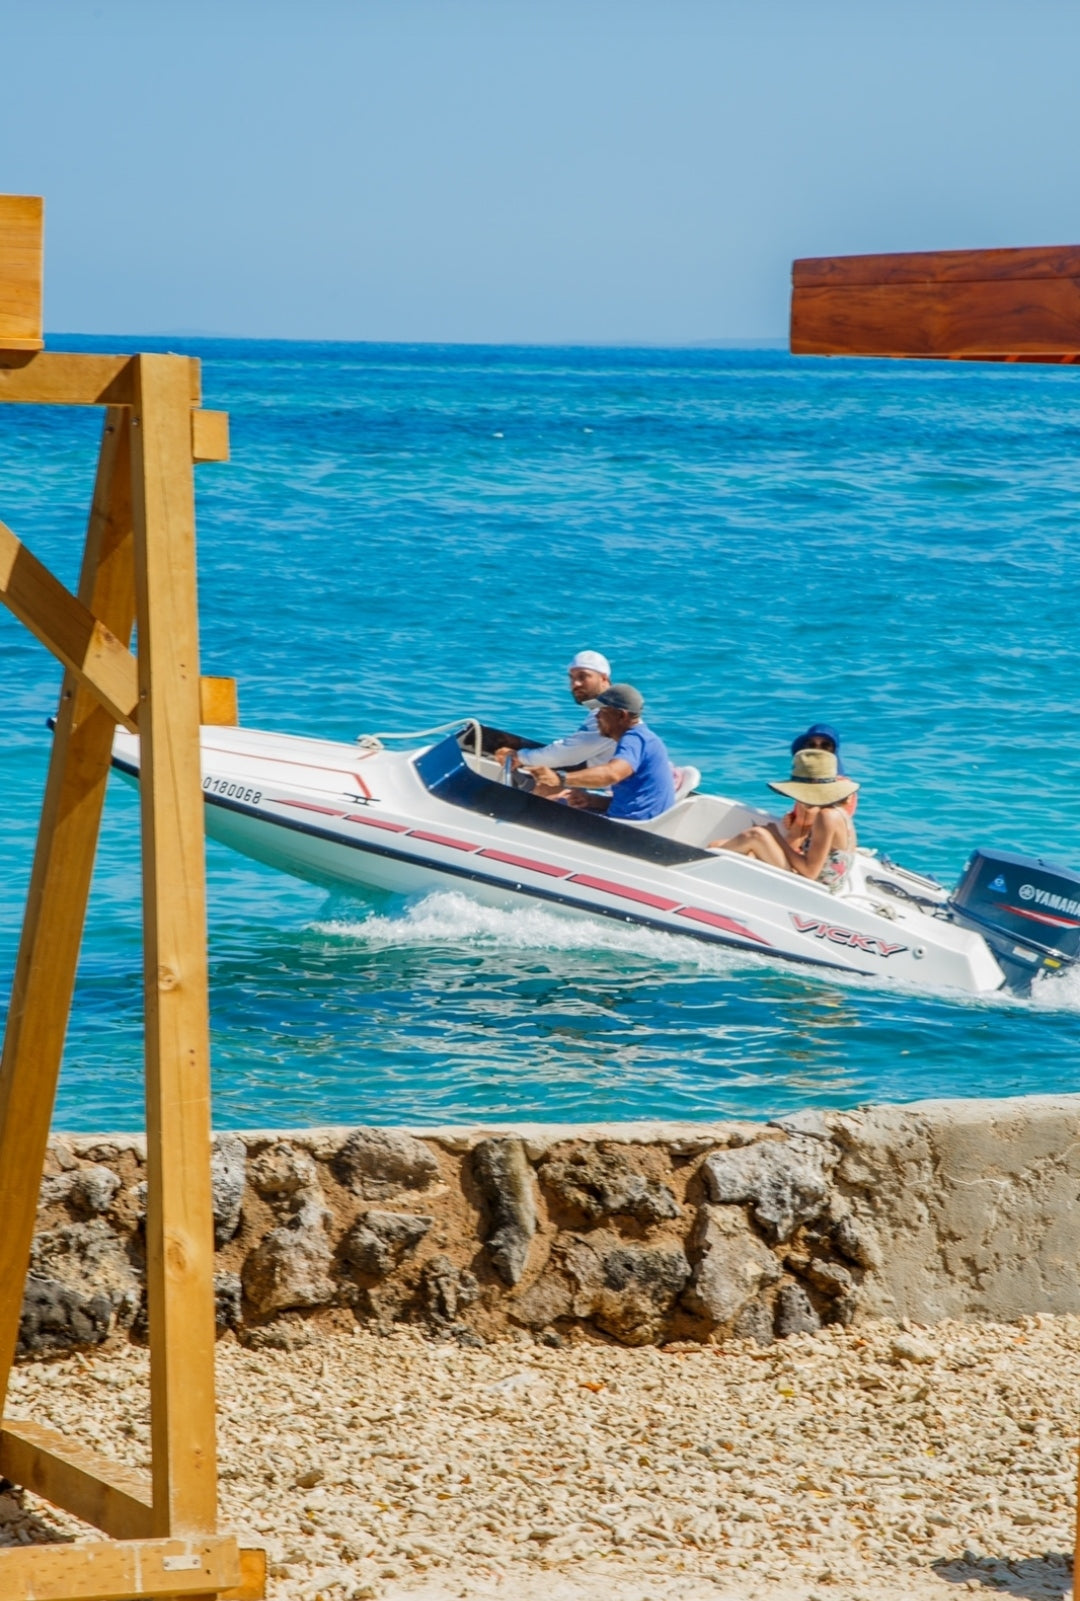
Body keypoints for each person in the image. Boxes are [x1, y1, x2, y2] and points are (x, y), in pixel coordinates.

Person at [710, 748, 859, 891]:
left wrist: (776, 837)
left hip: (813, 889)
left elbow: (810, 872)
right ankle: (708, 864)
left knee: (756, 835)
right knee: (716, 844)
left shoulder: (826, 817)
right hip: (821, 885)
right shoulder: (836, 812)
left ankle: (699, 866)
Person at [530, 684, 676, 822]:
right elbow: (635, 801)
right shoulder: (645, 738)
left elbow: (611, 774)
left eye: (602, 711)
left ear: (621, 715)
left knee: (539, 806)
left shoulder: (634, 740)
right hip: (635, 821)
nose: (596, 716)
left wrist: (560, 778)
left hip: (626, 829)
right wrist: (592, 800)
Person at [495, 650, 615, 773]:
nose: (575, 684)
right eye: (571, 678)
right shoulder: (604, 707)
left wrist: (519, 757)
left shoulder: (610, 714)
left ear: (604, 678)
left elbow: (568, 754)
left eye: (582, 676)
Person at [789, 722, 857, 816]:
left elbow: (826, 819)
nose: (818, 750)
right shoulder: (805, 780)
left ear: (834, 751)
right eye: (811, 745)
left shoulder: (842, 785)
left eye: (825, 746)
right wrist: (791, 817)